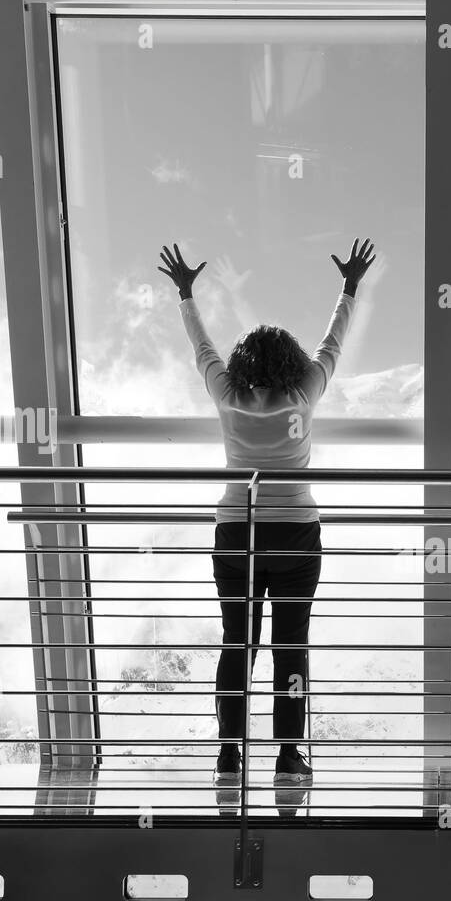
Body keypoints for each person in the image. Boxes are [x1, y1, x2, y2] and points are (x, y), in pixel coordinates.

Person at [158, 238, 377, 794]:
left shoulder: (225, 394)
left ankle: (228, 756)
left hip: (236, 530)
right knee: (290, 647)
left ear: (241, 364)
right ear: (290, 362)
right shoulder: (304, 393)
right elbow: (332, 344)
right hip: (296, 535)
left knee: (238, 642)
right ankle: (287, 756)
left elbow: (201, 348)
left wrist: (186, 294)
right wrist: (349, 287)